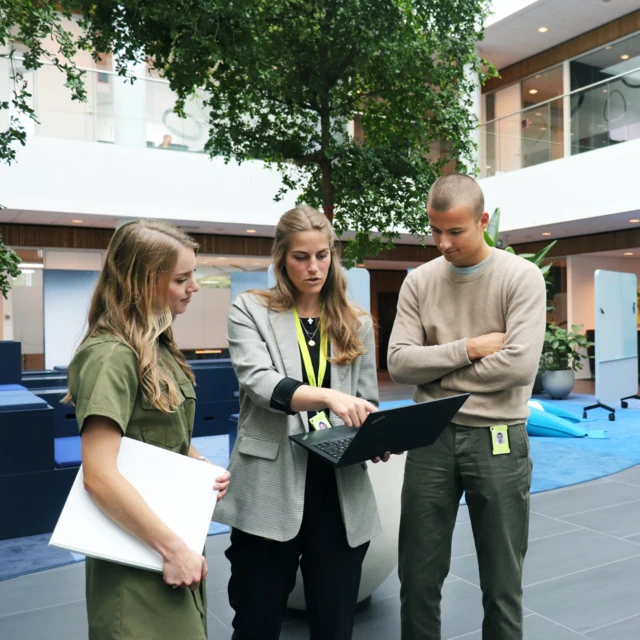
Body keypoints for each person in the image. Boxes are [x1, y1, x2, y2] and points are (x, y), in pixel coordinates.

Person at [215, 204, 388, 640]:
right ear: (281, 258)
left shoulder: (355, 321)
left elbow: (364, 398)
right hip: (270, 483)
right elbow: (259, 382)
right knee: (257, 621)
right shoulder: (249, 310)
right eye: (301, 257)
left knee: (334, 624)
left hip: (338, 486)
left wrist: (375, 435)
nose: (314, 268)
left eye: (323, 255)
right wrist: (329, 396)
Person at [388, 174, 546, 640]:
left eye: (455, 231)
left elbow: (518, 367)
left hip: (499, 438)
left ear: (482, 221)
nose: (443, 243)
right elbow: (398, 364)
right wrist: (470, 348)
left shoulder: (520, 277)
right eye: (435, 231)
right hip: (429, 437)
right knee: (417, 574)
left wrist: (436, 375)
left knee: (502, 579)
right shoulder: (419, 282)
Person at [64, 219, 231, 640]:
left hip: (167, 537)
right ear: (142, 282)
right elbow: (99, 476)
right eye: (181, 278)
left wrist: (197, 465)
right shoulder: (109, 356)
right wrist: (173, 549)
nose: (195, 286)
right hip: (139, 552)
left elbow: (156, 433)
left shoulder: (155, 347)